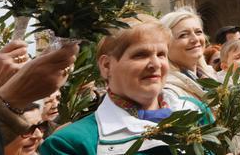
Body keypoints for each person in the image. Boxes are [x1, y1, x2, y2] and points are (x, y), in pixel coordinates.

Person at [39, 16, 211, 154]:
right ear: (106, 66)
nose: (155, 64)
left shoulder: (196, 110)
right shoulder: (71, 144)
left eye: (161, 54)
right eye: (140, 55)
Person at [159, 8, 217, 102]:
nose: (195, 39)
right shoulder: (168, 92)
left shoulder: (210, 75)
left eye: (198, 32)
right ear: (165, 45)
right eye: (183, 35)